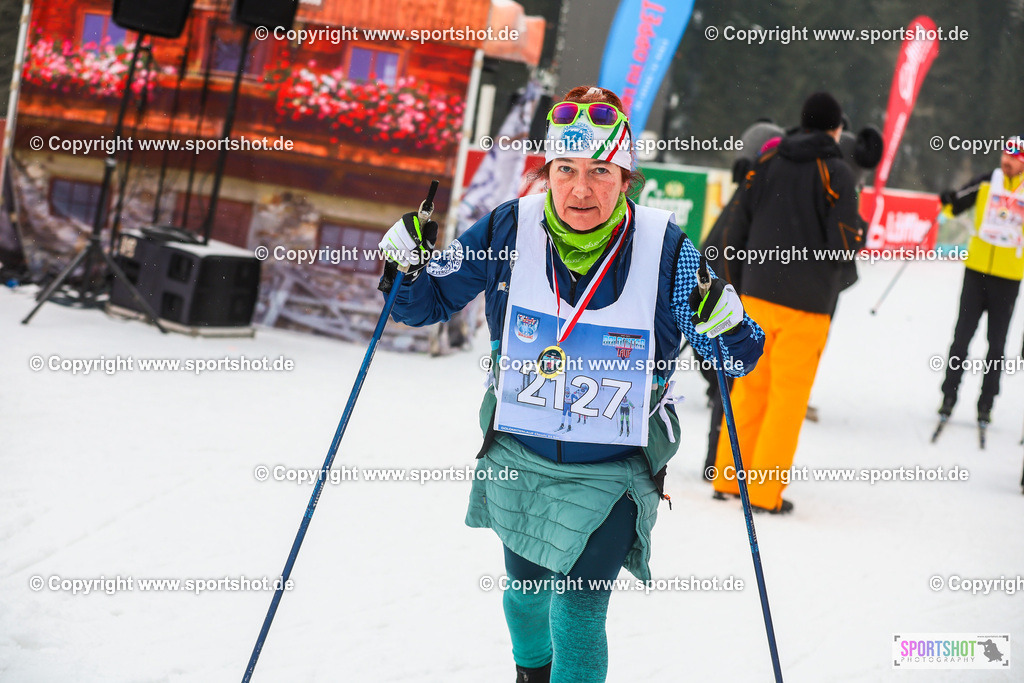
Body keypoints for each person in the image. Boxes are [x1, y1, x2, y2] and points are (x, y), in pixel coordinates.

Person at [378, 86, 764, 683]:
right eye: (566, 170)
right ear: (548, 171)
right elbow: (423, 304)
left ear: (626, 176)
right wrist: (403, 264)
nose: (581, 190)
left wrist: (729, 325)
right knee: (524, 596)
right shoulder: (510, 227)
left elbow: (736, 356)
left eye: (601, 172)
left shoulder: (668, 250)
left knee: (578, 611)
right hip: (520, 457)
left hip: (613, 469)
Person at [709, 92, 859, 514]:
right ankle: (762, 492)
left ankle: (726, 475)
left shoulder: (767, 163)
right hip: (806, 307)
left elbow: (736, 228)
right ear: (836, 128)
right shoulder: (837, 173)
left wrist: (740, 284)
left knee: (749, 390)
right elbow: (844, 241)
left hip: (756, 295)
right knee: (786, 400)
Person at [937, 137, 1024, 427]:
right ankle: (948, 396)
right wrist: (947, 199)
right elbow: (954, 207)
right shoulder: (988, 181)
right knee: (961, 337)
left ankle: (986, 403)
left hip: (1009, 277)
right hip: (975, 272)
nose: (1007, 159)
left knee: (996, 345)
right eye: (1005, 153)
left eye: (1015, 155)